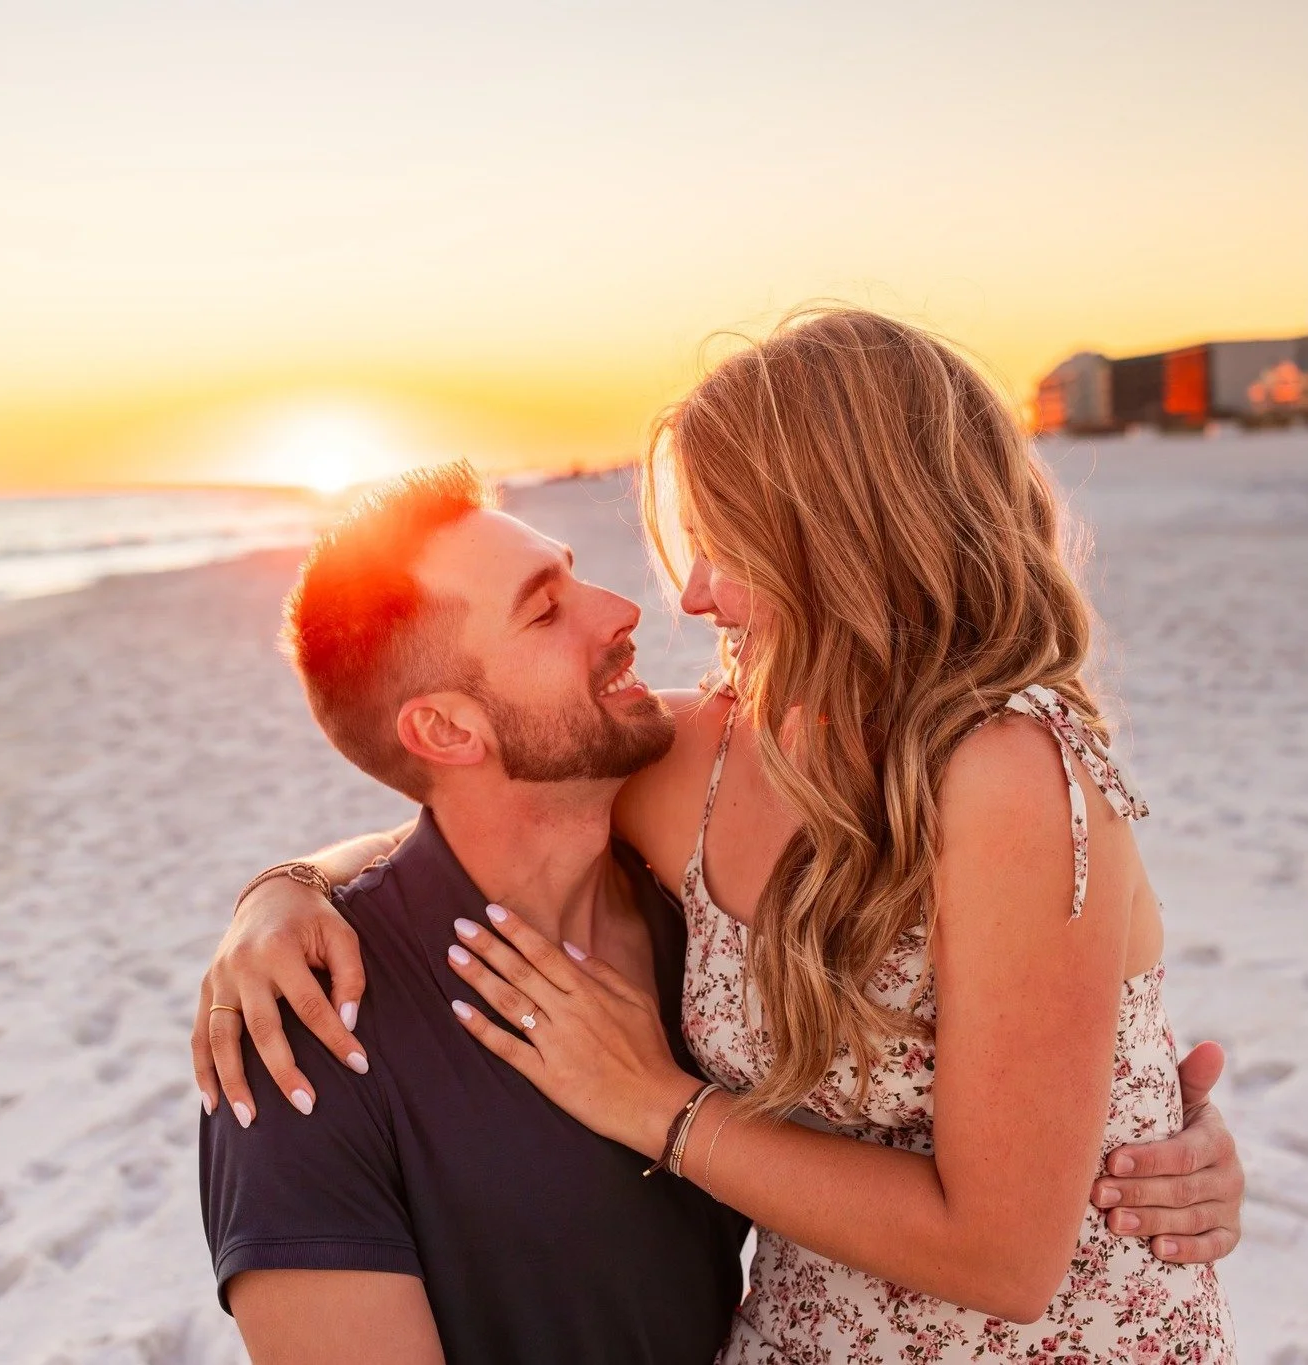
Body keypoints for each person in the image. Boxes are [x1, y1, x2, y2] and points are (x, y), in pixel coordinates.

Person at [195, 311, 1245, 1359]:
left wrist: (661, 1107)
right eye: (545, 604)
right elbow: (495, 803)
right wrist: (282, 892)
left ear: (843, 536)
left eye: (726, 540)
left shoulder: (1007, 771)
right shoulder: (710, 754)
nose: (688, 595)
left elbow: (1008, 1257)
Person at [199, 465, 749, 1365]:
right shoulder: (303, 1029)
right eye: (545, 609)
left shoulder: (699, 914)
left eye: (574, 575)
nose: (622, 610)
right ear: (448, 731)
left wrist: (283, 878)